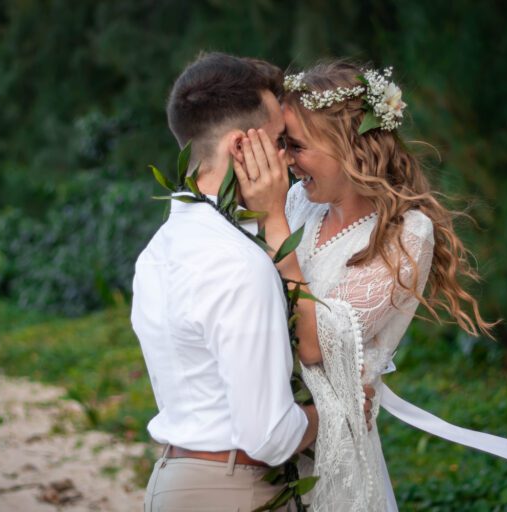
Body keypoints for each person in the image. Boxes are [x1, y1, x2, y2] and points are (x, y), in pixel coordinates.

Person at [233, 60, 507, 510]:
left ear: (351, 145)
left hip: (331, 461)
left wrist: (274, 224)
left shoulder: (405, 234)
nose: (286, 161)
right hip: (266, 433)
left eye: (295, 145)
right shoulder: (298, 203)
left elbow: (315, 346)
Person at [132, 52, 376, 511]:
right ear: (243, 148)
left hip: (172, 482)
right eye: (281, 140)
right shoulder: (242, 263)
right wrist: (336, 412)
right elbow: (269, 436)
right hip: (232, 491)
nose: (287, 158)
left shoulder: (158, 251)